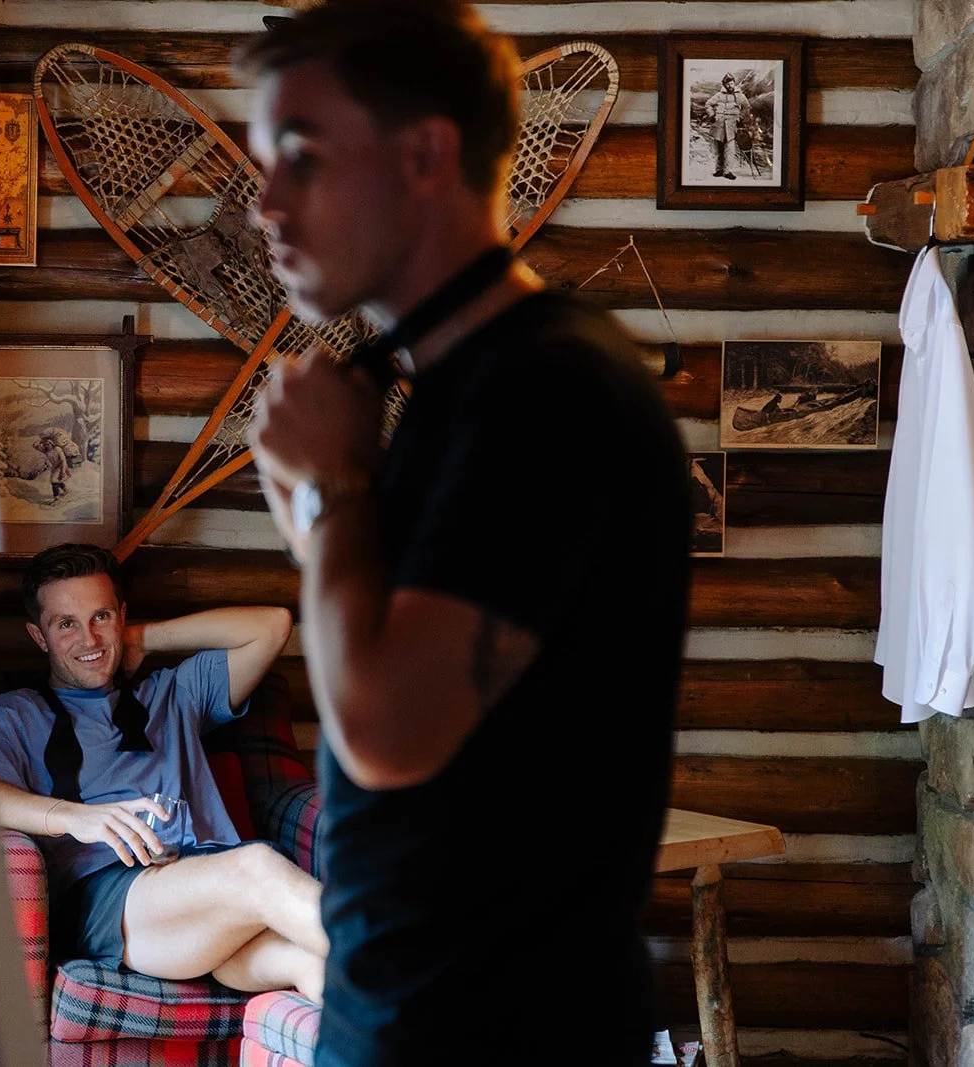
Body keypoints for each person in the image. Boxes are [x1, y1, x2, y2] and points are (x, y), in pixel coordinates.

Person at [236, 3, 692, 1063]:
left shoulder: (545, 394)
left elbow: (388, 729)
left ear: (424, 155)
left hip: (491, 1028)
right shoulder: (455, 385)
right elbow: (389, 634)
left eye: (299, 158)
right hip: (416, 1007)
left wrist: (336, 486)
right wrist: (320, 506)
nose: (262, 203)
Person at [0, 542, 328, 1001]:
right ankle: (413, 970)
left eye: (101, 616)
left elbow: (272, 625)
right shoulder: (14, 716)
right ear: (39, 636)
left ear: (121, 615)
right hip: (113, 898)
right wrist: (73, 817)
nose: (89, 639)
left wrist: (144, 638)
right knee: (259, 868)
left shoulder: (174, 693)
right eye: (66, 624)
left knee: (306, 962)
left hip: (206, 894)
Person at [704, 72, 747, 179]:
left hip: (732, 125)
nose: (730, 85)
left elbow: (747, 107)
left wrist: (740, 117)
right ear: (724, 85)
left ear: (734, 83)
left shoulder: (740, 95)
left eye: (731, 83)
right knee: (719, 148)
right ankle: (719, 170)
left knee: (730, 149)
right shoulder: (719, 95)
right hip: (719, 125)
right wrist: (712, 115)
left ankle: (728, 172)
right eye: (727, 84)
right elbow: (708, 104)